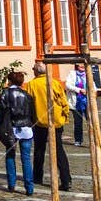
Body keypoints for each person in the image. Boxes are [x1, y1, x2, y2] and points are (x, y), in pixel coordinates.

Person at [25, 61, 72, 192]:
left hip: (40, 122)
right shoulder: (55, 83)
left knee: (39, 150)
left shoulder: (31, 85)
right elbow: (64, 102)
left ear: (36, 71)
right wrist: (64, 116)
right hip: (56, 121)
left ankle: (37, 176)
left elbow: (28, 104)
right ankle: (66, 179)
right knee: (59, 151)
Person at [0, 70, 38, 196]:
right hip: (26, 128)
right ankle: (29, 188)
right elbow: (32, 113)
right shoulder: (27, 95)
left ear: (9, 81)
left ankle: (11, 184)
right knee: (26, 159)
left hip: (11, 128)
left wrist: (0, 127)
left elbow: (1, 113)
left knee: (10, 156)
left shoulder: (5, 94)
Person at [69, 63, 89, 146]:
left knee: (90, 121)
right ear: (77, 65)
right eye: (80, 64)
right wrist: (79, 90)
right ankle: (78, 140)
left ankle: (93, 139)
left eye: (83, 64)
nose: (82, 66)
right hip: (76, 102)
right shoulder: (72, 74)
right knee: (78, 122)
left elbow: (94, 85)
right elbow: (68, 85)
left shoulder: (88, 74)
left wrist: (91, 90)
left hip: (87, 102)